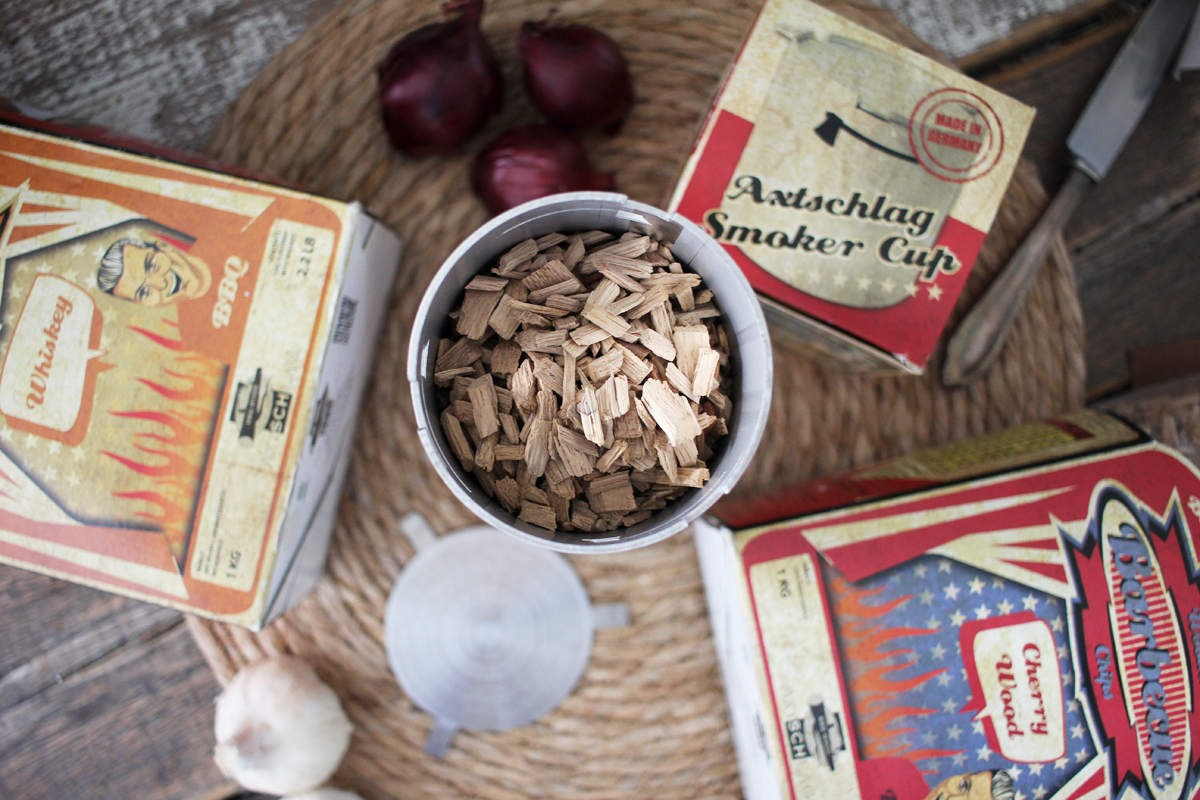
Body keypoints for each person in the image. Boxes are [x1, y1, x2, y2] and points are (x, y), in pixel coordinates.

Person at [97, 237, 212, 306]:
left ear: (163, 246)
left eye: (151, 265)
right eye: (144, 293)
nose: (161, 284)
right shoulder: (189, 332)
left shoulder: (210, 241)